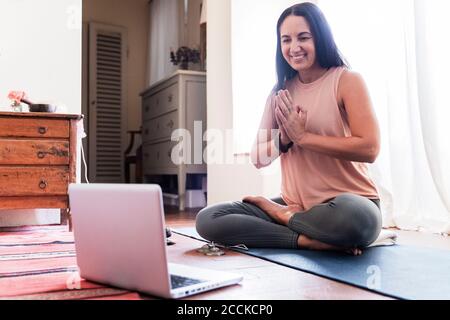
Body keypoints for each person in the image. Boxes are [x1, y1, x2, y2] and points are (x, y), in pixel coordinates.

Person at [196, 2, 381, 255]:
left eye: (303, 37)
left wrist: (303, 137)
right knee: (209, 218)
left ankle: (283, 217)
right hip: (299, 206)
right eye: (286, 40)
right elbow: (258, 158)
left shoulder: (347, 81)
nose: (294, 48)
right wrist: (283, 140)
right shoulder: (279, 92)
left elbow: (369, 148)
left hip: (349, 204)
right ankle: (305, 239)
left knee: (357, 222)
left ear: (321, 37)